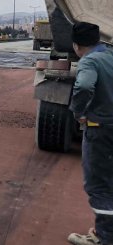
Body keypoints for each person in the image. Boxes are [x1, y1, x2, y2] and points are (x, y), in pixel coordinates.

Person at [68, 22, 113, 245]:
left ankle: (105, 238)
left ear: (76, 46)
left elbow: (85, 86)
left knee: (99, 185)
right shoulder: (111, 56)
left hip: (101, 131)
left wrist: (79, 112)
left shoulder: (89, 61)